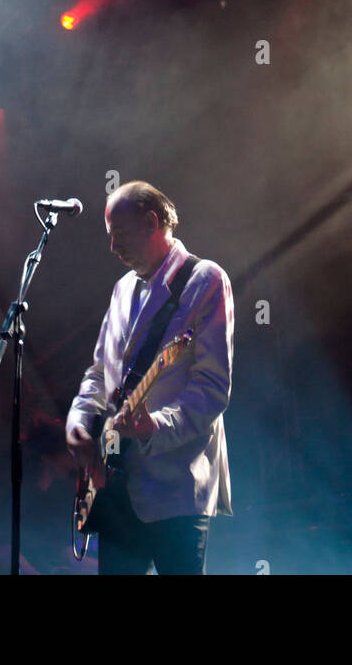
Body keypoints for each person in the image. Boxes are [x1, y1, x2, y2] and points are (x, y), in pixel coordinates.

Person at [65, 180, 234, 575]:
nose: (112, 247)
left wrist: (154, 425)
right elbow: (99, 372)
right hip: (117, 486)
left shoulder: (204, 279)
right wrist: (78, 420)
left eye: (119, 234)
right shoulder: (122, 289)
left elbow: (212, 388)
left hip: (176, 486)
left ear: (151, 222)